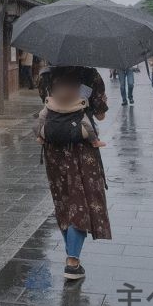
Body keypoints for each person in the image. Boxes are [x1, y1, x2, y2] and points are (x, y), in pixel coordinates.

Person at [34, 66, 111, 280]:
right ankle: (72, 260)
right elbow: (100, 114)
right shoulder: (90, 75)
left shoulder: (46, 75)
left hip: (54, 147)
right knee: (81, 199)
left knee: (64, 199)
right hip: (81, 146)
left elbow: (48, 104)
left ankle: (72, 254)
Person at [36, 77, 106, 149]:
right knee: (87, 122)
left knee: (41, 116)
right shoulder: (92, 77)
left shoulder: (45, 77)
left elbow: (44, 99)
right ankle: (94, 142)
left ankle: (39, 137)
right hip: (82, 144)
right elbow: (100, 116)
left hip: (52, 140)